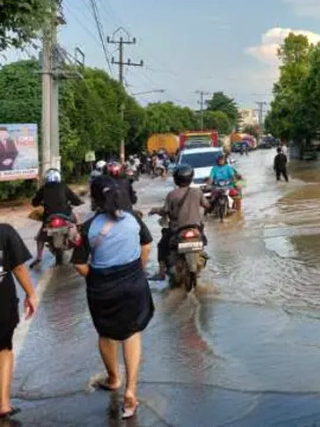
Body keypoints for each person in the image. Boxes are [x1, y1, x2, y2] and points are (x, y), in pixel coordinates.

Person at [71, 176, 154, 420]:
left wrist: (95, 278)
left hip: (102, 287)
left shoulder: (87, 228)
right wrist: (137, 269)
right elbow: (147, 246)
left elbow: (78, 263)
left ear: (95, 199)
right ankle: (131, 390)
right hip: (133, 281)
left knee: (106, 334)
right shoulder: (134, 219)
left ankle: (114, 379)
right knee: (131, 333)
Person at [0, 224, 38, 419]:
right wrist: (31, 294)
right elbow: (19, 267)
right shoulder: (4, 232)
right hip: (2, 307)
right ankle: (3, 404)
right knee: (4, 351)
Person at [148, 164, 210, 281]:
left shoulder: (172, 194)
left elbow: (164, 211)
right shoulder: (197, 192)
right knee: (203, 241)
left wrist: (155, 210)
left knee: (161, 245)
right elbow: (207, 205)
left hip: (176, 229)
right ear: (191, 178)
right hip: (196, 228)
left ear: (176, 179)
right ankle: (201, 258)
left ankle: (161, 272)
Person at [30, 168, 84, 268]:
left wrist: (38, 202)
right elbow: (74, 199)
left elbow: (34, 202)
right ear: (58, 177)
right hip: (65, 215)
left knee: (40, 237)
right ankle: (79, 243)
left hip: (49, 217)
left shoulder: (43, 188)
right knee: (77, 223)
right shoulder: (63, 186)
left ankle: (38, 257)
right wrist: (78, 202)